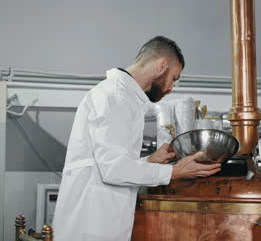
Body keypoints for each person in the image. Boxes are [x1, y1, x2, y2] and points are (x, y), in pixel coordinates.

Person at [52, 36, 221, 241]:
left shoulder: (124, 98)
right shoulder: (115, 96)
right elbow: (113, 170)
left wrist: (149, 161)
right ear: (162, 65)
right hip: (90, 224)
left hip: (100, 221)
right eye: (174, 78)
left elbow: (106, 163)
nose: (171, 88)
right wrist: (173, 171)